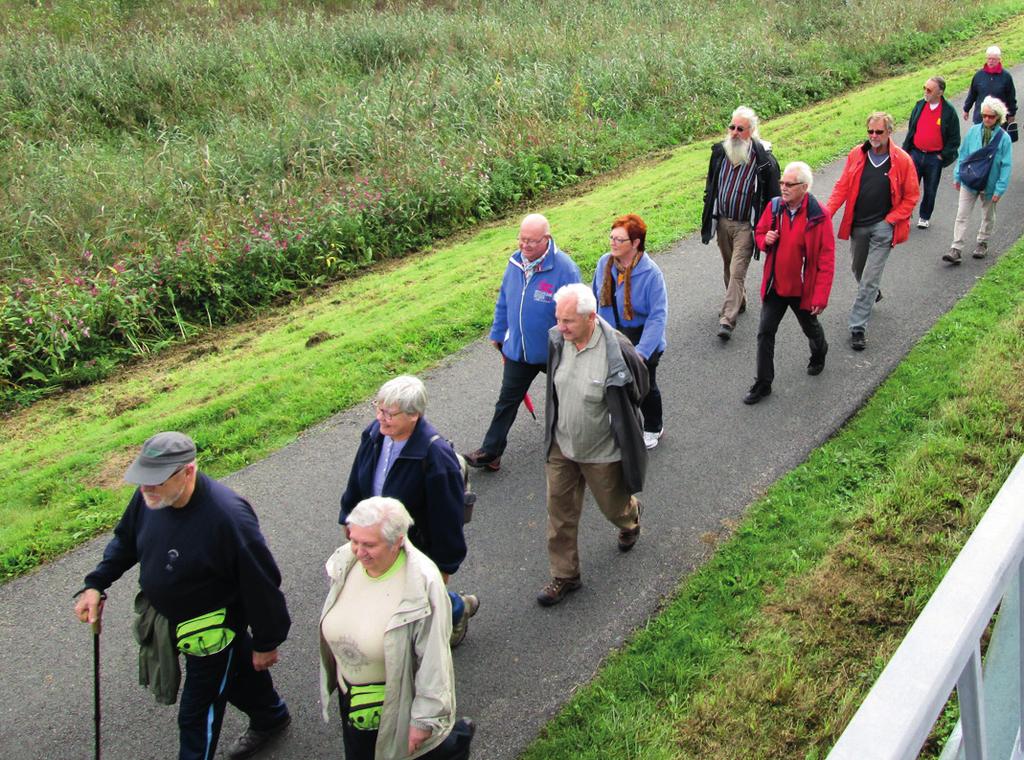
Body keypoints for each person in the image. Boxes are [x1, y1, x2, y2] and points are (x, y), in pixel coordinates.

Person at [74, 432, 291, 760]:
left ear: (187, 471)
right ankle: (270, 715)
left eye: (155, 481)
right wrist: (95, 584)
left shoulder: (229, 518)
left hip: (213, 631)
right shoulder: (150, 495)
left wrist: (266, 642)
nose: (146, 487)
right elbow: (126, 539)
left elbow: (261, 583)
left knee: (196, 713)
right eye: (143, 478)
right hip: (175, 622)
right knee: (237, 674)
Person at [320, 497, 475, 760]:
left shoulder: (422, 585)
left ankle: (453, 742)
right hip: (352, 696)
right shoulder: (345, 562)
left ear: (398, 541)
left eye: (369, 544)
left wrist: (424, 721)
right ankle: (454, 742)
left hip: (392, 702)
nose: (358, 551)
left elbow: (434, 659)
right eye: (354, 540)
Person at [339, 376, 478, 648]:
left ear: (414, 415)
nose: (381, 418)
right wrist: (350, 516)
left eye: (390, 413)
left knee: (417, 597)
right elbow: (358, 477)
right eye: (378, 409)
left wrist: (444, 565)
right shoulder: (374, 433)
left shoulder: (436, 456)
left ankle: (456, 609)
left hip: (417, 545)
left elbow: (447, 518)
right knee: (389, 591)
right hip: (379, 537)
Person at [537, 283, 648, 607]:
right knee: (559, 513)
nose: (561, 326)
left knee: (614, 509)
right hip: (562, 446)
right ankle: (565, 576)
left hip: (602, 452)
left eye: (569, 320)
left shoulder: (618, 349)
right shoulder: (558, 339)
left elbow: (640, 387)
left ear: (591, 317)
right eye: (559, 319)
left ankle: (630, 515)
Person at [464, 213, 581, 472]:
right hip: (519, 351)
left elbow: (579, 314)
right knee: (506, 401)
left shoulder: (565, 269)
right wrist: (498, 333)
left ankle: (579, 446)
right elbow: (504, 301)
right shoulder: (515, 263)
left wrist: (574, 345)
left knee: (567, 399)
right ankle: (491, 452)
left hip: (555, 352)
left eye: (531, 241)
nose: (524, 246)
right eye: (521, 239)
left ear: (546, 240)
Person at [826, 112, 919, 352]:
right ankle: (873, 292)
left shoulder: (902, 160)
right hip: (858, 225)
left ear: (889, 132)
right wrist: (826, 213)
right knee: (858, 268)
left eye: (879, 132)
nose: (874, 136)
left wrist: (891, 220)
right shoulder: (857, 154)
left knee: (868, 279)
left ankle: (857, 327)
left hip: (883, 228)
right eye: (871, 132)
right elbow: (842, 187)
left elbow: (911, 196)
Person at [744, 162, 835, 404]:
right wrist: (766, 240)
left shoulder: (819, 216)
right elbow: (760, 233)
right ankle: (763, 383)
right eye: (781, 183)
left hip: (802, 290)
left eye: (789, 184)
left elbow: (826, 260)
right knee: (765, 332)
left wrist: (820, 297)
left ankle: (820, 350)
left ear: (804, 187)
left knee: (810, 328)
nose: (783, 187)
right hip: (776, 286)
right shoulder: (774, 207)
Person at [700, 105, 781, 340]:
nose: (734, 132)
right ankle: (740, 301)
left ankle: (727, 319)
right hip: (723, 221)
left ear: (752, 131)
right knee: (728, 268)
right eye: (732, 127)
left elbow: (773, 198)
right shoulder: (719, 153)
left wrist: (769, 229)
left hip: (747, 226)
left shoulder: (764, 161)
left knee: (737, 271)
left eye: (740, 129)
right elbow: (711, 185)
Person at [592, 213, 668, 448]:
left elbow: (657, 317)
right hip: (612, 333)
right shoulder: (605, 263)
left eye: (619, 239)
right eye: (611, 237)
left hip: (642, 337)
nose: (613, 243)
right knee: (611, 382)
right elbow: (595, 298)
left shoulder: (651, 273)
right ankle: (621, 420)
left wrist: (642, 353)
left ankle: (653, 427)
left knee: (644, 386)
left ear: (635, 243)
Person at [943, 96, 1014, 264]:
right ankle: (956, 248)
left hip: (990, 183)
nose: (987, 119)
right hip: (970, 180)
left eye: (991, 116)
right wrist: (957, 175)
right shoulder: (974, 131)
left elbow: (1006, 165)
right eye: (984, 115)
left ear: (998, 117)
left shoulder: (1004, 138)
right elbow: (964, 155)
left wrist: (1000, 189)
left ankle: (982, 242)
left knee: (988, 215)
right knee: (962, 214)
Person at [902, 76, 961, 229]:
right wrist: (906, 151)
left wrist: (942, 156)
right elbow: (911, 129)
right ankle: (906, 215)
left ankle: (924, 216)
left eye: (929, 90)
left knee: (930, 188)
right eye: (925, 88)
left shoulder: (948, 112)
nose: (925, 92)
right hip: (915, 153)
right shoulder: (919, 105)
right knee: (909, 187)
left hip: (934, 158)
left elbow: (955, 139)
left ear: (939, 92)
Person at [963, 46, 1017, 125]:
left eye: (994, 59)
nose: (991, 61)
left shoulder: (1006, 77)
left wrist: (1012, 114)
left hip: (999, 119)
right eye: (989, 58)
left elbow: (1011, 97)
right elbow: (972, 94)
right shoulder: (978, 76)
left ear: (999, 60)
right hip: (980, 118)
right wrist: (966, 109)